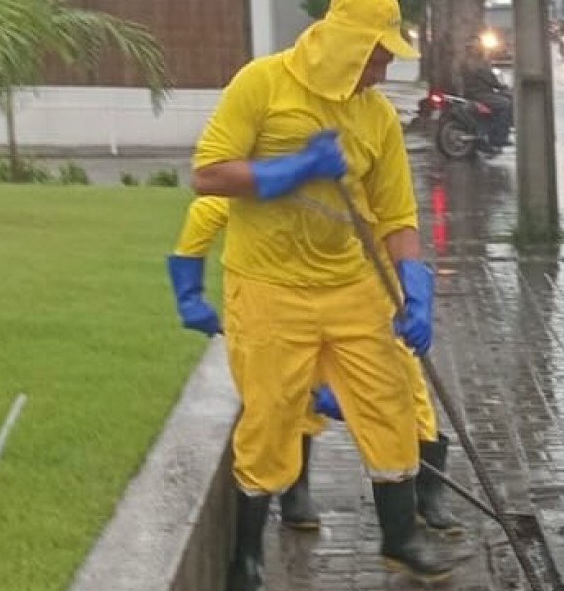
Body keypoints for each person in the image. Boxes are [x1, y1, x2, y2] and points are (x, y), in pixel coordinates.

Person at [190, 0, 458, 591]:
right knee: (273, 414)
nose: (386, 66)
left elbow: (396, 215)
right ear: (345, 43)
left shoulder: (377, 116)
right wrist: (295, 169)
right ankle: (248, 552)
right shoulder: (262, 84)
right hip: (269, 286)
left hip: (355, 288)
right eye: (379, 53)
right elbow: (207, 174)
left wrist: (415, 286)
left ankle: (399, 538)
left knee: (391, 400)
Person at [166, 194, 464, 540]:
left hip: (375, 307)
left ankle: (428, 493)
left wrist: (415, 292)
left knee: (409, 392)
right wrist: (189, 295)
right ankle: (296, 490)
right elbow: (208, 210)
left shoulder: (371, 173)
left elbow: (398, 223)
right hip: (295, 305)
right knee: (295, 394)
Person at [459, 36, 513, 146]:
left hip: (476, 92)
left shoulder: (467, 61)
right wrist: (502, 86)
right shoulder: (475, 63)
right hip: (479, 94)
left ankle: (492, 129)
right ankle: (499, 137)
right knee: (506, 104)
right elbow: (489, 79)